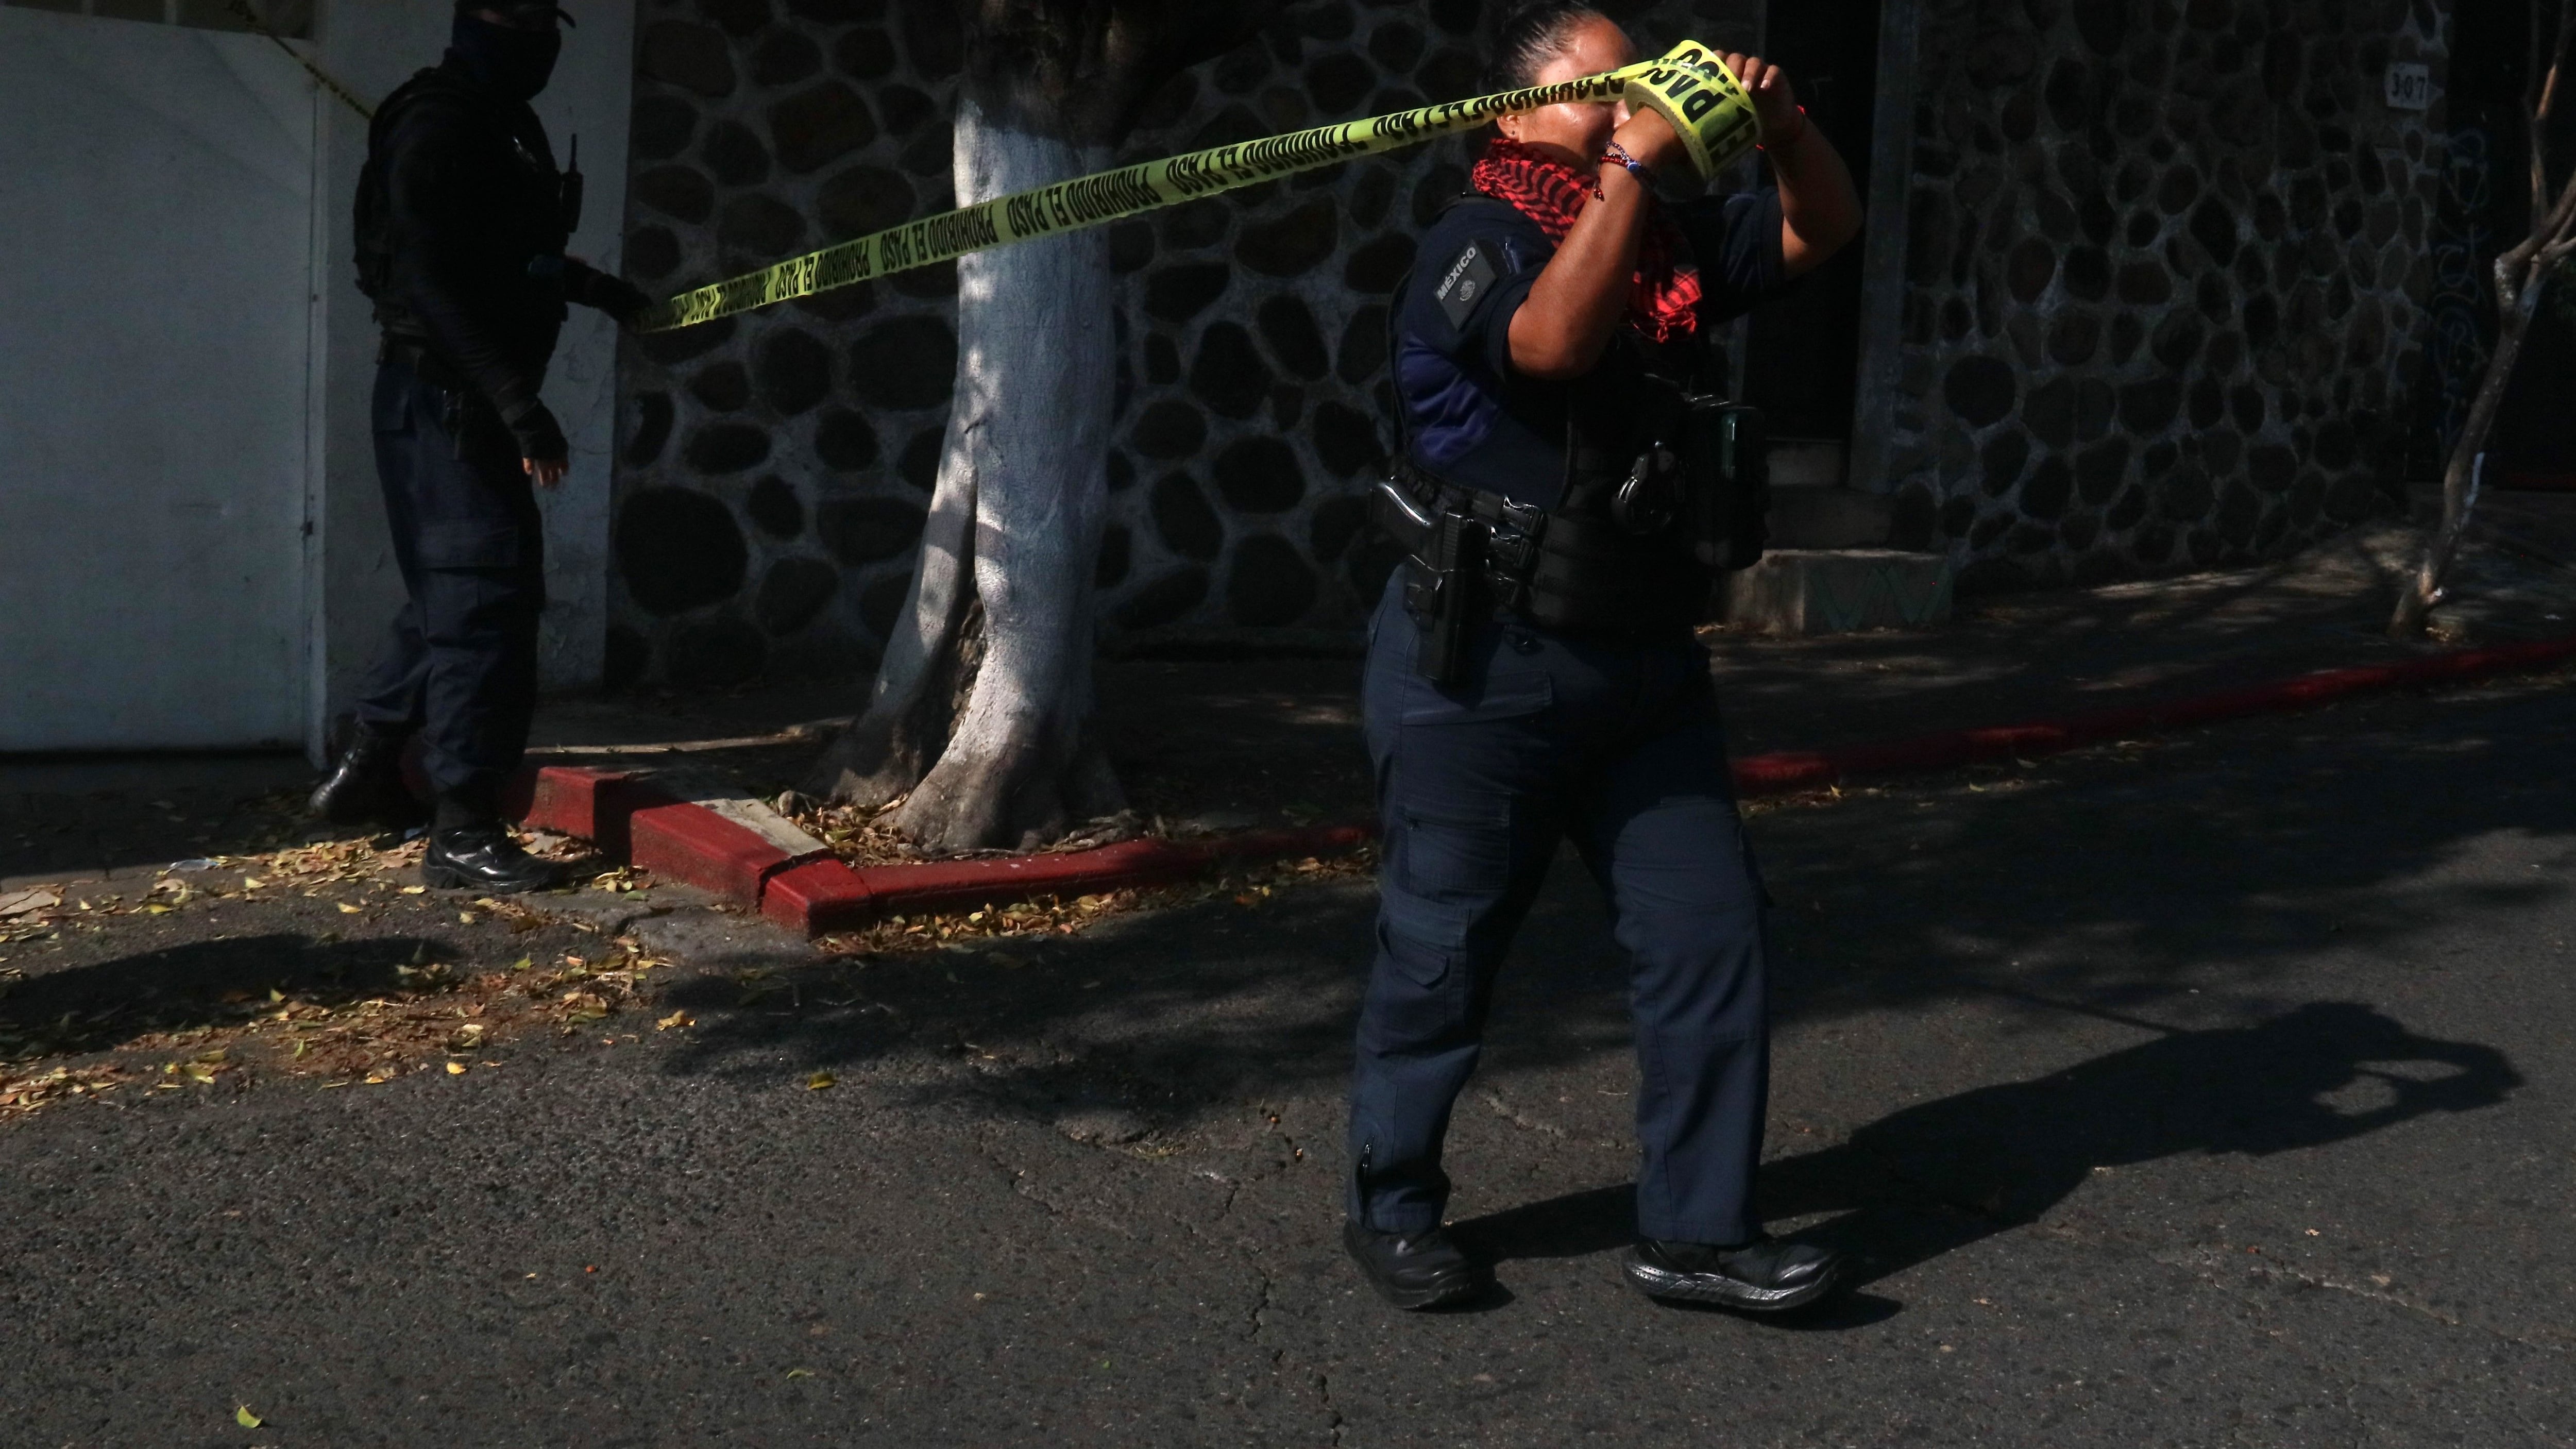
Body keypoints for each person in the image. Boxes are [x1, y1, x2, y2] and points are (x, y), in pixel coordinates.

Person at [1344, 3, 1863, 1311]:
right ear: (1508, 114)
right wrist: (1631, 164)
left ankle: (1695, 1230)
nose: (1636, 101)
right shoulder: (1477, 240)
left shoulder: (1671, 245)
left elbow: (1822, 229)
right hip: (1483, 665)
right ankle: (1393, 1203)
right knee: (1442, 952)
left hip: (1643, 663)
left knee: (1709, 932)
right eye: (1601, 88)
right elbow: (1551, 346)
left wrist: (1786, 128)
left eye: (1645, 79)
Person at [307, 2, 649, 892]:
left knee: (452, 593)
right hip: (446, 400)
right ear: (471, 19)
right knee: (484, 607)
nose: (536, 34)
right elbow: (428, 280)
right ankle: (463, 830)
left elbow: (500, 254)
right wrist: (519, 407)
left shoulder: (501, 124)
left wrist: (592, 287)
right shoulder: (438, 124)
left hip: (456, 400)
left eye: (544, 17)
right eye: (514, 13)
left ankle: (370, 768)